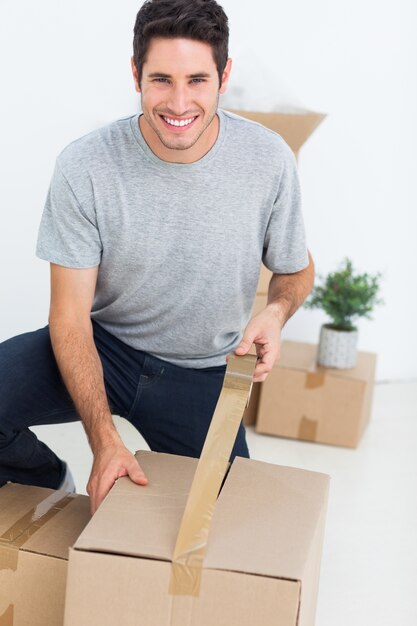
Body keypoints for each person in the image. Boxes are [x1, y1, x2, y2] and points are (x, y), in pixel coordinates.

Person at [0, 0, 314, 514]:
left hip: (201, 370)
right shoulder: (86, 165)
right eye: (162, 79)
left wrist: (277, 312)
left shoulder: (268, 159)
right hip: (104, 346)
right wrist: (103, 442)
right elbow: (69, 316)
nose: (179, 102)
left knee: (229, 518)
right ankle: (47, 480)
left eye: (197, 80)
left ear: (224, 75)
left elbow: (297, 268)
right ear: (136, 74)